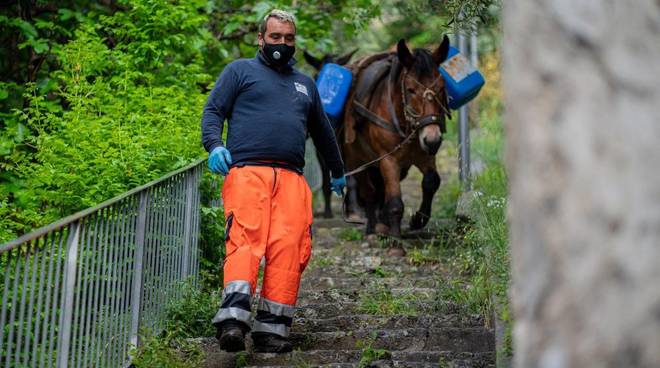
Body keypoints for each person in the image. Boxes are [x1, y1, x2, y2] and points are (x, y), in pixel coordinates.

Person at [201, 9, 346, 353]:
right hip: (248, 173)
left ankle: (272, 330)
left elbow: (323, 133)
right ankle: (233, 322)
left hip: (293, 182)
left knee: (289, 249)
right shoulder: (239, 71)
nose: (282, 43)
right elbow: (212, 112)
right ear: (261, 38)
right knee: (245, 242)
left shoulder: (305, 84)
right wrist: (215, 145)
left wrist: (337, 170)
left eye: (289, 38)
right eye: (276, 36)